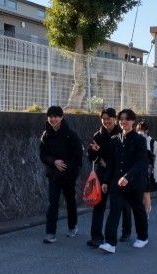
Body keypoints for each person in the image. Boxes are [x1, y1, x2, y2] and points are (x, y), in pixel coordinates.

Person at [100, 109, 149, 254]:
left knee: (138, 209)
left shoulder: (140, 140)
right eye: (121, 119)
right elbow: (111, 163)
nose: (123, 121)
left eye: (127, 119)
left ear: (133, 121)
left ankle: (143, 237)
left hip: (134, 182)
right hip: (117, 182)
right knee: (114, 210)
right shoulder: (114, 139)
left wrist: (128, 176)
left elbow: (141, 162)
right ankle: (110, 243)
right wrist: (106, 181)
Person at [85, 108, 130, 247]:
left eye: (109, 118)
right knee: (99, 204)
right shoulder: (98, 135)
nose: (106, 121)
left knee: (122, 204)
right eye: (103, 119)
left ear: (115, 119)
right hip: (102, 174)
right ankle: (96, 237)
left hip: (118, 174)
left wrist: (108, 160)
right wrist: (93, 151)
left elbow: (123, 155)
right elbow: (92, 158)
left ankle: (126, 231)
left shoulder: (122, 134)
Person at [39, 105, 83, 244]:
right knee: (53, 203)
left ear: (62, 117)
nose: (53, 119)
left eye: (56, 116)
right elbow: (42, 155)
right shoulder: (46, 135)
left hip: (68, 175)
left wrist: (66, 167)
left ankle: (72, 226)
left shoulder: (71, 134)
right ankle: (50, 233)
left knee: (70, 201)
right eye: (50, 116)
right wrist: (54, 162)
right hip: (53, 175)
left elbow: (78, 155)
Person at [135, 120, 157, 213]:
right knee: (137, 194)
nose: (140, 132)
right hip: (136, 172)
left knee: (146, 194)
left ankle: (146, 213)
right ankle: (140, 213)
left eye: (142, 130)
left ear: (147, 131)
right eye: (138, 130)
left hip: (148, 174)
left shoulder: (153, 143)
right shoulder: (135, 141)